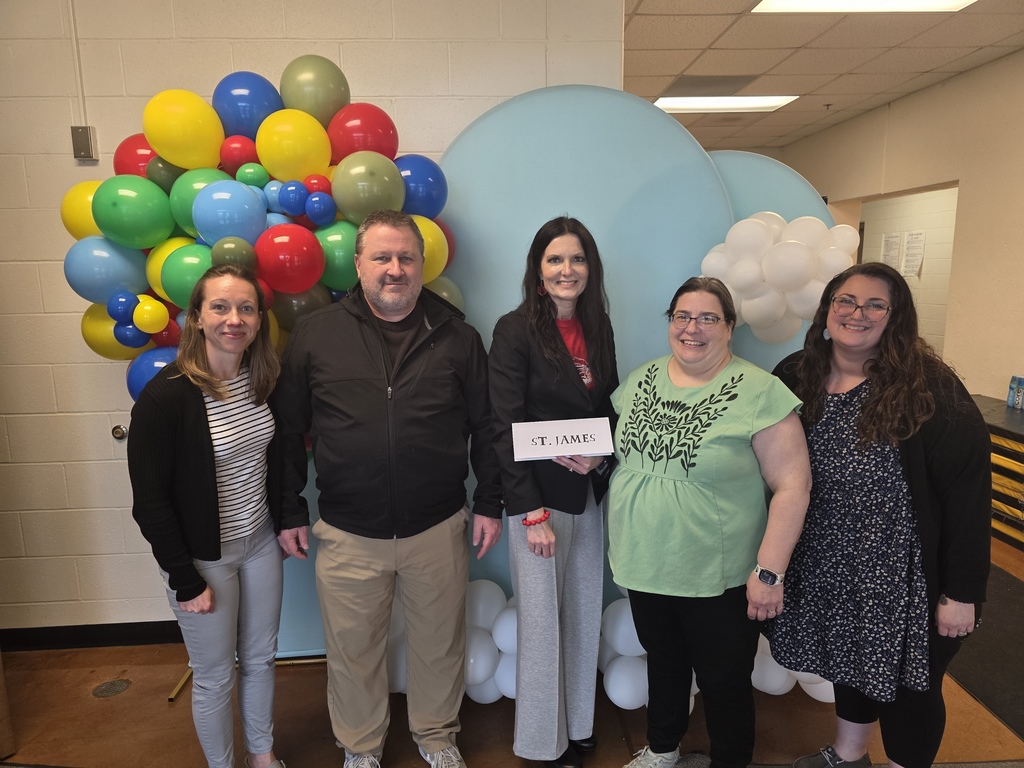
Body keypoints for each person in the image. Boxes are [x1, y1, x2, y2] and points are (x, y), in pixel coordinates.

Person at [273, 209, 504, 768]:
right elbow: (287, 427)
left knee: (439, 643)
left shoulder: (459, 337)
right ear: (359, 264)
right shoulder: (317, 335)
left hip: (438, 522)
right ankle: (361, 747)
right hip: (348, 530)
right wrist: (287, 509)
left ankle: (437, 737)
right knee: (353, 651)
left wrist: (491, 502)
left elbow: (488, 426)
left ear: (422, 265)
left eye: (406, 257)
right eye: (382, 257)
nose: (395, 269)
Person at [768, 262, 992, 768]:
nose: (857, 313)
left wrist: (961, 591)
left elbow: (968, 494)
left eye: (875, 305)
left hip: (899, 571)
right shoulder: (795, 374)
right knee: (849, 665)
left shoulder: (929, 386)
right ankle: (848, 756)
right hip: (825, 559)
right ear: (827, 309)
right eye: (846, 301)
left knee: (912, 684)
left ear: (895, 318)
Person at [608, 276, 811, 768]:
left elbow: (793, 486)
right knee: (665, 662)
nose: (692, 328)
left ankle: (730, 761)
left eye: (707, 318)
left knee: (724, 680)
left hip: (718, 573)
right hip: (645, 562)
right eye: (682, 316)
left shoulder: (761, 392)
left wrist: (769, 572)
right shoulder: (641, 379)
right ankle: (662, 748)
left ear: (729, 327)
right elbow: (627, 455)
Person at [127, 263, 286, 768]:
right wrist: (184, 579)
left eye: (245, 308)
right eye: (219, 307)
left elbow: (275, 462)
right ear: (196, 317)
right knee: (215, 674)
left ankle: (262, 757)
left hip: (259, 544)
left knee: (260, 660)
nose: (232, 319)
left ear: (259, 319)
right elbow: (148, 501)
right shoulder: (166, 397)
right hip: (202, 561)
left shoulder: (263, 379)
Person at [489, 217, 619, 768]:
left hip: (586, 492)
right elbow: (503, 423)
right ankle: (543, 743)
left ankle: (580, 724)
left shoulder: (600, 325)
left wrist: (603, 453)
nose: (568, 270)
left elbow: (610, 405)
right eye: (556, 260)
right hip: (537, 501)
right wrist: (527, 511)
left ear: (590, 269)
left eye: (578, 259)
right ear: (538, 272)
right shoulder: (515, 329)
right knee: (542, 626)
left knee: (584, 611)